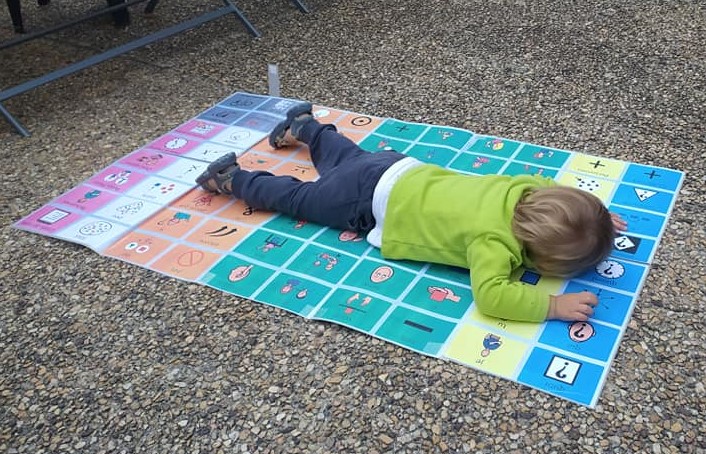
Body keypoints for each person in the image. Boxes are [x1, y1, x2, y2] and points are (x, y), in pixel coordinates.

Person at [196, 102, 627, 323]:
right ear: (538, 257)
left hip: (396, 166)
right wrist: (552, 306)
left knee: (343, 154)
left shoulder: (521, 190)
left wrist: (594, 216)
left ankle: (306, 125)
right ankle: (232, 179)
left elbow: (550, 187)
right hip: (364, 202)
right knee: (297, 198)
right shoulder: (495, 244)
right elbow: (492, 296)